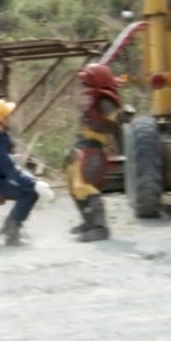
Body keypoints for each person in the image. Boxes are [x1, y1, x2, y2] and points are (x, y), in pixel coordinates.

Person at [0, 98, 49, 246]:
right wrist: (33, 183)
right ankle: (11, 230)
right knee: (29, 192)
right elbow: (10, 171)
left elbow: (9, 163)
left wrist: (30, 178)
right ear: (1, 119)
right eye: (7, 115)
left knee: (29, 189)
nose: (10, 117)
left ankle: (10, 226)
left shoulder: (0, 134)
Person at [64, 63, 121, 243]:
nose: (84, 87)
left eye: (87, 83)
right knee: (73, 186)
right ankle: (88, 222)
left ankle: (99, 227)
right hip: (83, 147)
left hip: (94, 149)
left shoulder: (105, 101)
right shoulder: (94, 99)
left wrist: (122, 117)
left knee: (84, 186)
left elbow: (114, 123)